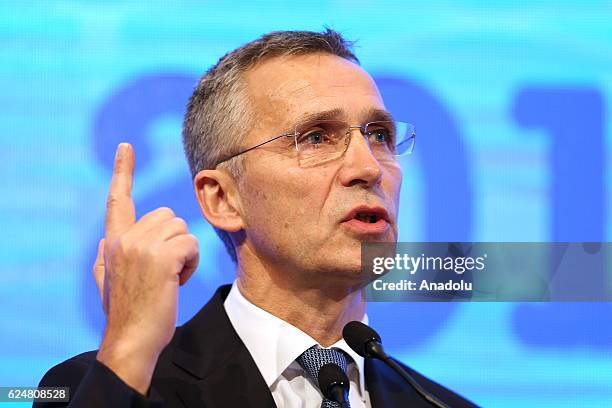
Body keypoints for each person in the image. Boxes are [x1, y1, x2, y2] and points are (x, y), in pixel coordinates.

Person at [35, 29, 476, 407]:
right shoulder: (108, 386)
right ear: (222, 199)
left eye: (379, 135)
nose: (369, 167)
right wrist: (129, 348)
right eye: (318, 137)